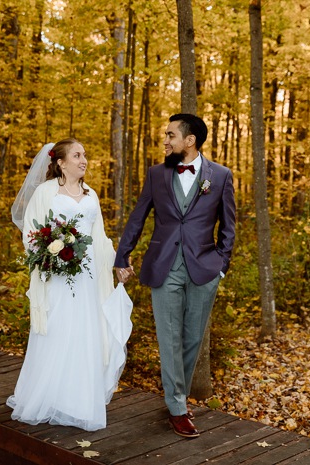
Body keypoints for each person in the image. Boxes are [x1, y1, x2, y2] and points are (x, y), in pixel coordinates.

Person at [115, 114, 236, 438]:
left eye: (170, 135)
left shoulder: (221, 176)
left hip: (203, 269)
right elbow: (138, 216)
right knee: (169, 338)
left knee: (192, 339)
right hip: (164, 265)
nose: (165, 140)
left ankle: (177, 396)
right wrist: (122, 254)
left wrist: (221, 266)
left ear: (190, 140)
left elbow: (228, 225)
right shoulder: (156, 174)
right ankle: (177, 406)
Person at [7, 138, 132, 431]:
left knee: (86, 331)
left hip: (89, 277)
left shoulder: (92, 195)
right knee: (58, 330)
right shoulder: (45, 192)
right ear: (61, 163)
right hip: (58, 275)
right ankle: (49, 396)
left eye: (85, 155)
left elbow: (100, 237)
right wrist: (49, 256)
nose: (84, 160)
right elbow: (31, 231)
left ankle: (78, 401)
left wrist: (117, 265)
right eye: (77, 155)